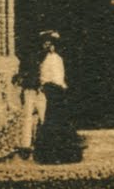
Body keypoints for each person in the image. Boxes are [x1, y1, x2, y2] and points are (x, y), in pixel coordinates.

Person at [32, 30, 82, 164]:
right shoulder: (47, 59)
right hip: (52, 91)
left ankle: (58, 155)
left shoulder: (54, 59)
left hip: (55, 92)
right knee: (52, 121)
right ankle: (54, 155)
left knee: (55, 122)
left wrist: (55, 87)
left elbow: (58, 78)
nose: (46, 46)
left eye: (49, 43)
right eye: (45, 43)